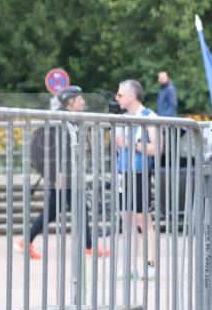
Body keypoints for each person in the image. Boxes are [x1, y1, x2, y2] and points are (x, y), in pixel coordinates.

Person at [17, 86, 109, 260]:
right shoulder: (58, 121)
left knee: (54, 210)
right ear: (70, 102)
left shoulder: (71, 120)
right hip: (64, 175)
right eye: (80, 98)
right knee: (80, 208)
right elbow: (52, 150)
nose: (84, 101)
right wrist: (55, 173)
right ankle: (88, 247)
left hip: (70, 173)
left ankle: (26, 241)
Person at [114, 80, 159, 279]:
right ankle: (130, 267)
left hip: (140, 173)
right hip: (123, 173)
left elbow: (157, 149)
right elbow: (117, 146)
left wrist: (134, 144)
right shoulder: (123, 118)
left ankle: (151, 265)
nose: (117, 98)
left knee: (143, 220)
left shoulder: (150, 117)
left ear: (132, 96)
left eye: (120, 94)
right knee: (127, 219)